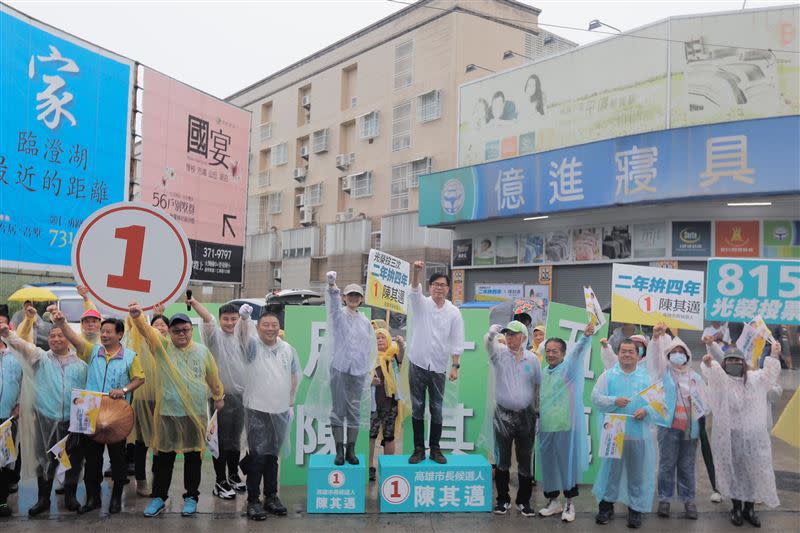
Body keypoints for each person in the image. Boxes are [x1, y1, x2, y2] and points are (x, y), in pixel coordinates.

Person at [128, 304, 225, 518]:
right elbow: (146, 331)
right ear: (169, 333)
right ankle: (160, 498)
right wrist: (138, 318)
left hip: (195, 414)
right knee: (164, 458)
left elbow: (212, 376)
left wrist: (218, 396)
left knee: (193, 458)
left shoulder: (202, 351)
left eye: (186, 330)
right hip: (168, 414)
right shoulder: (162, 348)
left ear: (192, 330)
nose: (182, 334)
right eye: (176, 330)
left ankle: (191, 497)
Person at [54, 311, 144, 514]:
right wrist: (62, 322)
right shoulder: (93, 352)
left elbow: (139, 378)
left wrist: (123, 390)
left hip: (116, 417)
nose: (104, 335)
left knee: (118, 459)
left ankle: (115, 498)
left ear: (119, 334)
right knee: (92, 460)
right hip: (90, 413)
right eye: (103, 332)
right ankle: (93, 498)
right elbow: (75, 340)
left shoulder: (130, 357)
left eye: (109, 332)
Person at [0, 320, 87, 516]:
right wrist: (9, 335)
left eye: (60, 335)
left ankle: (70, 497)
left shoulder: (81, 365)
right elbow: (24, 347)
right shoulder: (41, 358)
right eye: (52, 335)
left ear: (69, 339)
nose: (56, 339)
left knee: (73, 461)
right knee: (44, 461)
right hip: (45, 420)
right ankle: (43, 499)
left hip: (72, 422)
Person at [702, 344, 782, 527]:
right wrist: (708, 364)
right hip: (730, 438)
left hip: (754, 439)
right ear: (724, 363)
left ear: (743, 362)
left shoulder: (754, 379)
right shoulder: (722, 381)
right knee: (734, 472)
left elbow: (769, 374)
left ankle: (749, 509)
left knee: (753, 472)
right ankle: (736, 508)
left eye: (737, 359)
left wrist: (774, 353)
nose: (734, 362)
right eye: (729, 360)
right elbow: (712, 376)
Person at [237, 308, 299, 521]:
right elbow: (242, 338)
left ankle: (271, 496)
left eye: (274, 325)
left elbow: (294, 375)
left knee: (273, 455)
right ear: (258, 327)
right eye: (266, 325)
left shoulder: (287, 349)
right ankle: (253, 500)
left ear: (279, 327)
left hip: (280, 410)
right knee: (257, 457)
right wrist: (244, 319)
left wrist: (290, 403)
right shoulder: (253, 347)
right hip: (257, 409)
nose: (271, 329)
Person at [591, 338, 657, 529]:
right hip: (614, 432)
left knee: (637, 473)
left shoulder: (646, 378)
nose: (627, 354)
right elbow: (596, 398)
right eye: (623, 351)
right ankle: (606, 506)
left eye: (631, 351)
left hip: (638, 433)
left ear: (638, 355)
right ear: (618, 354)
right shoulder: (608, 375)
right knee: (611, 471)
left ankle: (635, 509)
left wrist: (646, 411)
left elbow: (657, 403)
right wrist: (614, 400)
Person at [406, 262, 465, 464]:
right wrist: (416, 272)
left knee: (437, 408)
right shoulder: (421, 304)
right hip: (418, 363)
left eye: (443, 285)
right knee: (417, 406)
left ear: (448, 289)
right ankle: (418, 449)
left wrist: (455, 366)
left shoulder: (453, 312)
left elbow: (457, 340)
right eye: (435, 284)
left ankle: (436, 449)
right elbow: (414, 290)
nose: (439, 288)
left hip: (439, 367)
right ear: (430, 287)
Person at [189, 297, 248, 499]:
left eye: (234, 319)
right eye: (226, 319)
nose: (230, 323)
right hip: (219, 398)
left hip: (240, 397)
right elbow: (207, 319)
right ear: (220, 319)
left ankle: (233, 475)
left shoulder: (241, 336)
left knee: (234, 441)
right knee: (219, 441)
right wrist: (194, 302)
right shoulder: (213, 337)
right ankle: (219, 481)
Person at [647, 322, 705, 520]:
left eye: (681, 352)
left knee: (687, 465)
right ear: (668, 356)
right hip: (668, 427)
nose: (677, 354)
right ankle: (665, 499)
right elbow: (654, 358)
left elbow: (706, 401)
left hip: (690, 429)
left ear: (688, 355)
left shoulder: (695, 377)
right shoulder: (663, 373)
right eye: (673, 352)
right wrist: (656, 339)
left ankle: (688, 500)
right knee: (666, 464)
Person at [537, 322, 594, 522]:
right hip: (545, 427)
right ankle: (553, 502)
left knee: (566, 465)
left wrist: (585, 337)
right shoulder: (543, 372)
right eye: (548, 351)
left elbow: (577, 354)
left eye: (555, 351)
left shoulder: (567, 370)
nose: (551, 354)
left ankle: (570, 504)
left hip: (565, 426)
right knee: (548, 465)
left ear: (562, 353)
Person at [485, 321, 541, 517]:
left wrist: (537, 412)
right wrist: (491, 335)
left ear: (523, 337)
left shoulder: (532, 359)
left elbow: (537, 386)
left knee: (525, 459)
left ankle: (524, 501)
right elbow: (488, 346)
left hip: (526, 415)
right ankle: (503, 500)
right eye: (507, 335)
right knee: (502, 459)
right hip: (502, 413)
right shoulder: (499, 355)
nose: (509, 338)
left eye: (514, 335)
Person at [323, 272, 375, 466]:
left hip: (358, 371)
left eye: (357, 295)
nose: (353, 298)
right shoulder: (339, 316)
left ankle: (351, 450)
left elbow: (369, 348)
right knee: (338, 409)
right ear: (345, 298)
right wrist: (332, 287)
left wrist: (369, 369)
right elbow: (333, 306)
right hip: (339, 368)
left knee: (354, 410)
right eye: (350, 295)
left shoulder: (365, 322)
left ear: (361, 299)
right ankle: (339, 450)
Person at [127, 309, 169, 497]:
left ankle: (158, 477)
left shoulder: (170, 346)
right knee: (141, 442)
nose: (160, 327)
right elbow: (137, 327)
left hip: (164, 400)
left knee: (161, 442)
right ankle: (141, 480)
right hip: (143, 398)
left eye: (163, 324)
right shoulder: (141, 342)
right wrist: (139, 317)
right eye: (156, 324)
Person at [368, 328, 405, 482]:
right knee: (371, 434)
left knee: (389, 436)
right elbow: (360, 377)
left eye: (383, 337)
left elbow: (402, 357)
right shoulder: (368, 357)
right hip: (372, 404)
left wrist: (401, 345)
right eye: (377, 338)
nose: (380, 340)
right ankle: (370, 466)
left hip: (390, 402)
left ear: (389, 339)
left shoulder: (392, 355)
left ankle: (389, 467)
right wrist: (371, 382)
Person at [0, 332, 22, 517]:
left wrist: (20, 404)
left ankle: (1, 501)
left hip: (8, 419)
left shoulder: (15, 357)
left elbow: (26, 383)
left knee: (6, 462)